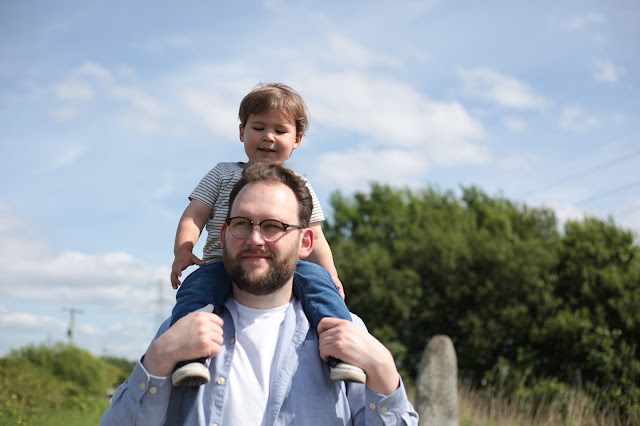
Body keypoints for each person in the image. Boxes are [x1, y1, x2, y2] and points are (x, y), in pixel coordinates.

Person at [101, 163, 418, 425]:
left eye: (272, 226)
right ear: (224, 235)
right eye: (241, 224)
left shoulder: (345, 332)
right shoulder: (181, 330)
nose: (254, 238)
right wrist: (157, 361)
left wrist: (384, 372)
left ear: (306, 242)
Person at [169, 83, 364, 387]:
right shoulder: (223, 173)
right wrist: (183, 249)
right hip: (223, 262)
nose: (268, 137)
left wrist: (331, 273)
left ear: (297, 139)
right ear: (241, 132)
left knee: (320, 288)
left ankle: (341, 351)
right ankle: (188, 356)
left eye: (280, 130)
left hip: (285, 265)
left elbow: (315, 235)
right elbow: (195, 214)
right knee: (197, 290)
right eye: (258, 127)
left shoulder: (298, 185)